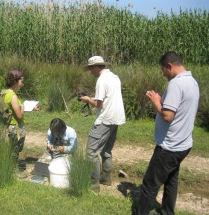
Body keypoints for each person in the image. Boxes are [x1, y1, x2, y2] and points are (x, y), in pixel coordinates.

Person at [134, 51, 200, 215]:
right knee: (171, 180)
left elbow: (168, 115)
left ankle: (140, 212)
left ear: (169, 66)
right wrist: (163, 101)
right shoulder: (192, 81)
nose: (163, 74)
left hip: (169, 147)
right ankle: (167, 212)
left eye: (163, 69)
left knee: (150, 184)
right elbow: (178, 108)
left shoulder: (176, 84)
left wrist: (156, 102)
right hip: (183, 144)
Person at [81, 56, 126, 192]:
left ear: (96, 66)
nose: (90, 71)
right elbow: (108, 98)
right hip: (116, 118)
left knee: (91, 152)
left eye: (90, 68)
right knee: (106, 150)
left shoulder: (101, 80)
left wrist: (88, 99)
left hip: (105, 119)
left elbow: (98, 104)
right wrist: (92, 98)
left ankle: (93, 185)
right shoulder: (114, 77)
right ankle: (105, 178)